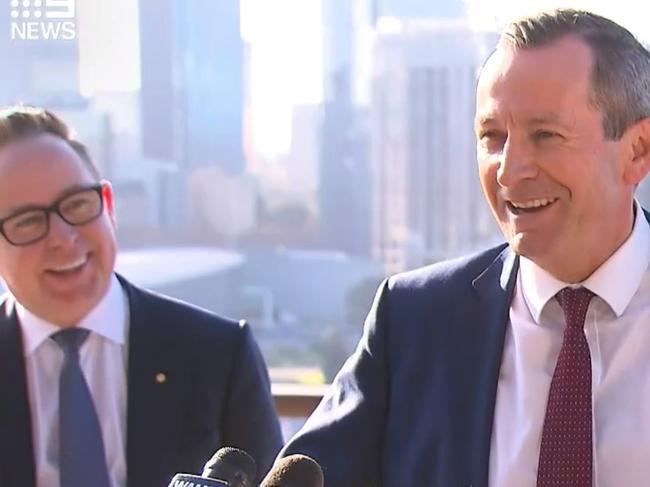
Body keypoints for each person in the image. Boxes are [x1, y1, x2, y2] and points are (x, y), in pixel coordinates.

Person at [276, 9, 650, 487]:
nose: (510, 171)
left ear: (637, 150)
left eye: (546, 136)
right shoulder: (413, 321)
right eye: (493, 137)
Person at [0, 106, 283, 487]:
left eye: (78, 205)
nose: (64, 239)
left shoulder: (219, 356)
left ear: (109, 206)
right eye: (30, 221)